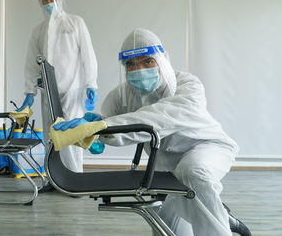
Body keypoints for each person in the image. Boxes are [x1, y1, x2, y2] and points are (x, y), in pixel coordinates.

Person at [53, 28, 251, 235]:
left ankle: (219, 227)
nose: (138, 69)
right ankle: (221, 216)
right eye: (131, 64)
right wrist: (93, 133)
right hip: (166, 165)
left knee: (193, 171)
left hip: (207, 147)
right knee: (166, 230)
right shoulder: (121, 97)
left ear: (162, 59)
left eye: (147, 61)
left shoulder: (187, 84)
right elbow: (106, 129)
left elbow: (159, 117)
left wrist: (105, 127)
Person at [18, 0, 98, 174]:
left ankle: (74, 176)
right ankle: (53, 178)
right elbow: (31, 63)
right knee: (50, 134)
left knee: (71, 132)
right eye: (44, 1)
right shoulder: (38, 30)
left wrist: (91, 83)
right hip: (48, 89)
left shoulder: (75, 22)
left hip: (73, 88)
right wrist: (30, 91)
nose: (48, 3)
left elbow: (88, 54)